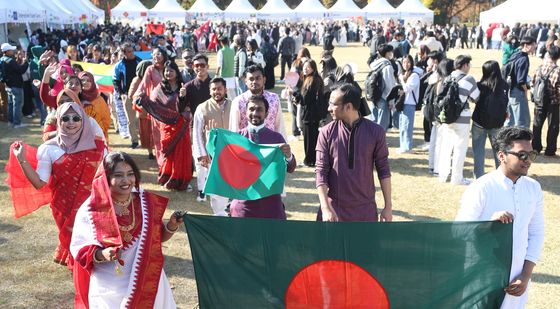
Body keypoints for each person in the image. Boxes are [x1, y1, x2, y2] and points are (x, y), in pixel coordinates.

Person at [71, 152, 180, 308]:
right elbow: (79, 247)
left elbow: (156, 238)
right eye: (119, 175)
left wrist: (172, 226)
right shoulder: (91, 209)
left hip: (146, 275)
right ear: (106, 178)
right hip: (108, 282)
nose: (126, 180)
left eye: (130, 174)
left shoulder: (146, 202)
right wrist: (101, 254)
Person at [456, 126, 544, 309]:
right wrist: (489, 223)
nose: (528, 160)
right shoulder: (481, 188)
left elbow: (536, 233)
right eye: (521, 155)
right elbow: (458, 231)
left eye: (531, 154)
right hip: (482, 277)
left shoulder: (533, 188)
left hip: (517, 280)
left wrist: (525, 276)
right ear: (501, 155)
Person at [9, 102, 106, 268]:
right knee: (72, 239)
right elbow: (40, 183)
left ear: (83, 121)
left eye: (76, 118)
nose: (71, 122)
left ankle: (84, 269)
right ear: (58, 122)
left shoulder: (98, 147)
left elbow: (107, 177)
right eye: (65, 118)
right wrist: (21, 159)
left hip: (92, 205)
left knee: (87, 241)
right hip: (63, 206)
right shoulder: (48, 149)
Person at [316, 83, 392, 222]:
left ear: (348, 106)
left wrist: (388, 206)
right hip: (334, 212)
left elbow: (384, 170)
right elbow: (321, 172)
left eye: (333, 104)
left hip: (365, 212)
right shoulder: (326, 132)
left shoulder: (376, 132)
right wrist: (325, 208)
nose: (329, 108)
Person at [230, 95, 296, 219]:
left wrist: (288, 156)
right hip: (244, 203)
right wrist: (213, 144)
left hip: (270, 203)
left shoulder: (276, 138)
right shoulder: (236, 138)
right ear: (245, 112)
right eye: (251, 109)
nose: (255, 113)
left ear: (266, 114)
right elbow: (226, 167)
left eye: (259, 109)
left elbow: (291, 168)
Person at [138, 61, 192, 191]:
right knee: (168, 152)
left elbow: (188, 104)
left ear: (176, 73)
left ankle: (181, 179)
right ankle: (168, 178)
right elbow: (154, 103)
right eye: (166, 71)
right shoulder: (160, 88)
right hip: (166, 126)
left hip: (181, 124)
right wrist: (143, 99)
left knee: (182, 151)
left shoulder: (183, 87)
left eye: (171, 71)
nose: (168, 73)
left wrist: (183, 99)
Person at [438, 55, 480, 186]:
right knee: (459, 149)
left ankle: (443, 175)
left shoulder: (447, 78)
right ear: (465, 65)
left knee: (446, 147)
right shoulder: (469, 79)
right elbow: (476, 97)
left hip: (446, 118)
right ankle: (457, 178)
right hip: (462, 118)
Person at [192, 77, 231, 213]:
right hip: (211, 155)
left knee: (230, 183)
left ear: (225, 89)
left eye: (219, 88)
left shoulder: (233, 106)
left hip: (230, 153)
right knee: (216, 189)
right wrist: (201, 154)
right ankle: (219, 213)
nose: (217, 92)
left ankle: (227, 208)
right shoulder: (202, 108)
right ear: (209, 91)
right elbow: (196, 133)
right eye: (213, 89)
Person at [472, 60, 509, 178]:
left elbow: (474, 100)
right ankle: (501, 175)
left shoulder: (480, 85)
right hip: (497, 124)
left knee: (478, 151)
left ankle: (479, 176)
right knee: (498, 151)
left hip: (479, 122)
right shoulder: (504, 85)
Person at [229, 65, 286, 138]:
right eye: (251, 79)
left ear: (264, 80)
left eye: (258, 78)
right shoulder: (238, 101)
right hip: (246, 145)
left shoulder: (274, 99)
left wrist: (283, 145)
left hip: (270, 145)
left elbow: (279, 125)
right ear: (245, 81)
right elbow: (234, 129)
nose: (254, 82)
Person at [134, 47, 169, 164]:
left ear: (164, 55)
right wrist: (139, 96)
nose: (156, 56)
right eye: (153, 54)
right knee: (157, 135)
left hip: (170, 106)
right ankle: (161, 163)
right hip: (156, 107)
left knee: (169, 135)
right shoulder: (150, 69)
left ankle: (170, 159)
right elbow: (144, 85)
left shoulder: (169, 67)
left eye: (158, 53)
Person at [292, 59, 325, 167]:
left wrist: (295, 95)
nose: (305, 69)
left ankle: (309, 160)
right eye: (304, 67)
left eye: (308, 67)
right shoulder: (314, 79)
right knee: (313, 138)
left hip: (310, 114)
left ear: (313, 68)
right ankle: (313, 159)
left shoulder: (312, 81)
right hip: (314, 114)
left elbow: (305, 99)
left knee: (309, 139)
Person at [531, 45, 560, 157]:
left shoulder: (539, 68)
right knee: (553, 126)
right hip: (553, 103)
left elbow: (533, 83)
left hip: (539, 101)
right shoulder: (557, 70)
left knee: (537, 125)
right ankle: (550, 150)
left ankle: (536, 147)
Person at [113, 42, 142, 149]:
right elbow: (115, 80)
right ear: (124, 53)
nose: (132, 53)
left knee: (140, 119)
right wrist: (121, 93)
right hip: (127, 96)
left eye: (132, 51)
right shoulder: (119, 65)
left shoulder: (140, 62)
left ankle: (144, 139)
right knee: (131, 120)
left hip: (141, 96)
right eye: (129, 52)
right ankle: (134, 141)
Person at [505, 36, 536, 128]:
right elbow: (521, 80)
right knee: (522, 121)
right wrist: (526, 90)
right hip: (518, 92)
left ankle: (506, 141)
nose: (535, 46)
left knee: (510, 121)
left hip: (510, 90)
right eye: (533, 44)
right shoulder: (524, 59)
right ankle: (520, 141)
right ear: (526, 45)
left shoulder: (515, 55)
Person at [129, 60, 155, 160]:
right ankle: (150, 152)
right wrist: (142, 98)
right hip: (144, 112)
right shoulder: (137, 80)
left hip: (155, 111)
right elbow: (131, 95)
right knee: (147, 133)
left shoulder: (154, 78)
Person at [397, 55, 422, 154]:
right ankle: (402, 145)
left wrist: (402, 80)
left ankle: (407, 147)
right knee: (402, 126)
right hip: (403, 103)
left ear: (412, 63)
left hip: (410, 104)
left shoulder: (414, 75)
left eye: (408, 62)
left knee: (407, 127)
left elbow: (407, 88)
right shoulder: (405, 74)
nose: (406, 64)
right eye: (404, 62)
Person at [370, 44, 397, 131]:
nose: (392, 53)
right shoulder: (387, 66)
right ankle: (380, 143)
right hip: (384, 97)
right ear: (387, 53)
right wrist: (391, 100)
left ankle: (373, 141)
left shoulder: (375, 64)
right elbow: (390, 85)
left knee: (374, 121)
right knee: (382, 124)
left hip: (374, 95)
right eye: (391, 52)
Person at [1, 43, 29, 128]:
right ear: (7, 51)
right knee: (17, 104)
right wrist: (25, 62)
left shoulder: (2, 59)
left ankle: (11, 121)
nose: (13, 51)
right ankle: (17, 123)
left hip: (7, 85)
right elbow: (21, 70)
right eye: (11, 50)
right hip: (15, 85)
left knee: (10, 104)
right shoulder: (10, 61)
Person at [78, 71, 112, 141]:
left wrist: (98, 130)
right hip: (79, 136)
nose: (85, 82)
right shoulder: (76, 98)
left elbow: (106, 119)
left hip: (97, 136)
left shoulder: (99, 100)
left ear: (93, 83)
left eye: (88, 80)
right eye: (82, 80)